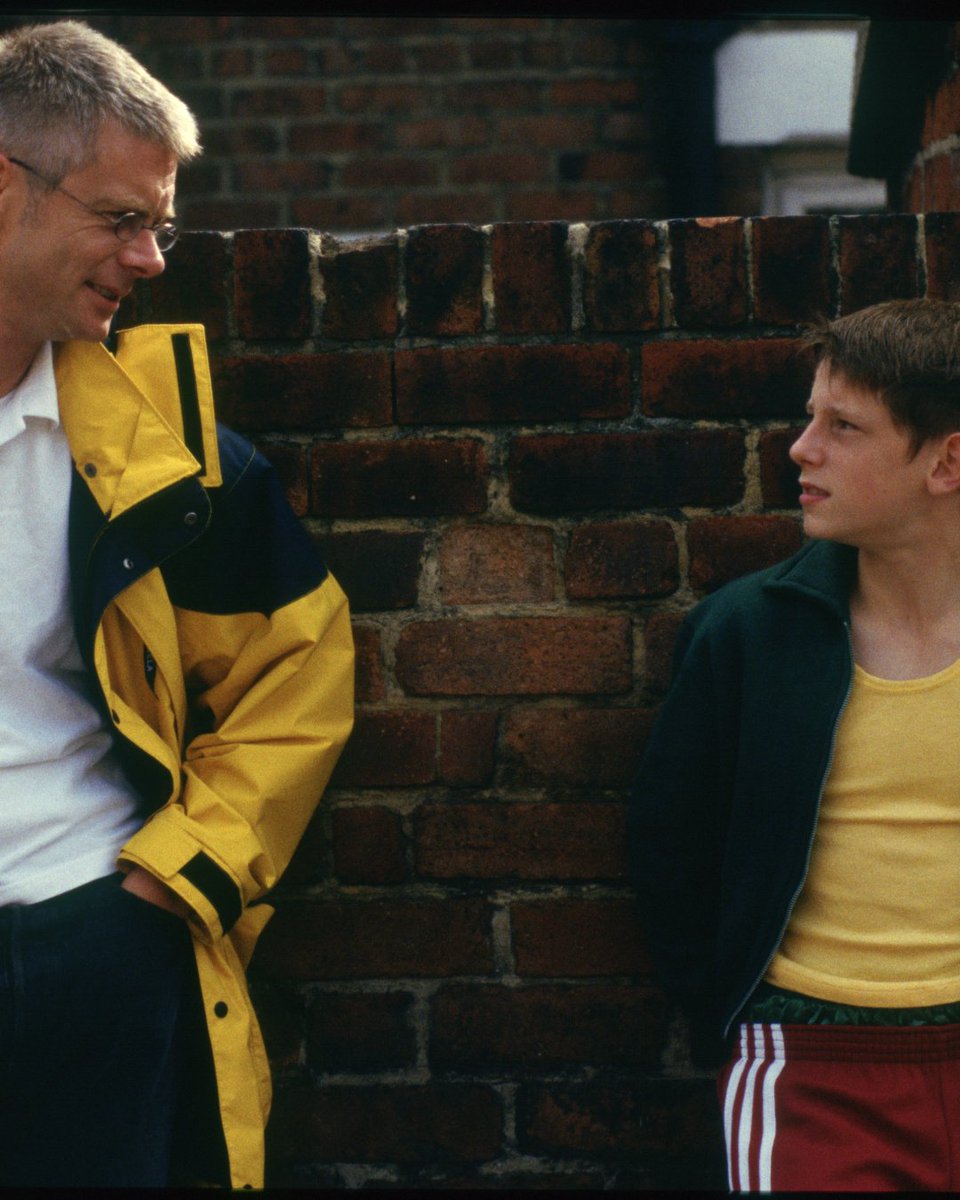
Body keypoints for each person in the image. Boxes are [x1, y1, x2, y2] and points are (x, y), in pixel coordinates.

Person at [0, 19, 354, 1189]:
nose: (153, 258)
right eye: (121, 219)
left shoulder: (175, 459)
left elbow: (299, 678)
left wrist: (165, 887)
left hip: (88, 943)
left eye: (162, 223)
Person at [631, 298, 960, 1192]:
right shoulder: (746, 634)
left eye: (843, 426)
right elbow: (672, 851)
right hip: (814, 1063)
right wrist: (743, 1009)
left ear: (947, 459)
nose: (801, 449)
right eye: (810, 416)